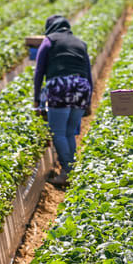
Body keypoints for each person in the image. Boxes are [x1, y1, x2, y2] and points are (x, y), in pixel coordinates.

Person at [33, 15, 93, 186]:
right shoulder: (80, 43)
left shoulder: (49, 41)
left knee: (58, 132)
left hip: (60, 87)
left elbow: (39, 72)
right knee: (69, 132)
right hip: (81, 87)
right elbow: (88, 74)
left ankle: (67, 171)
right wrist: (88, 100)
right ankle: (73, 170)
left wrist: (37, 98)